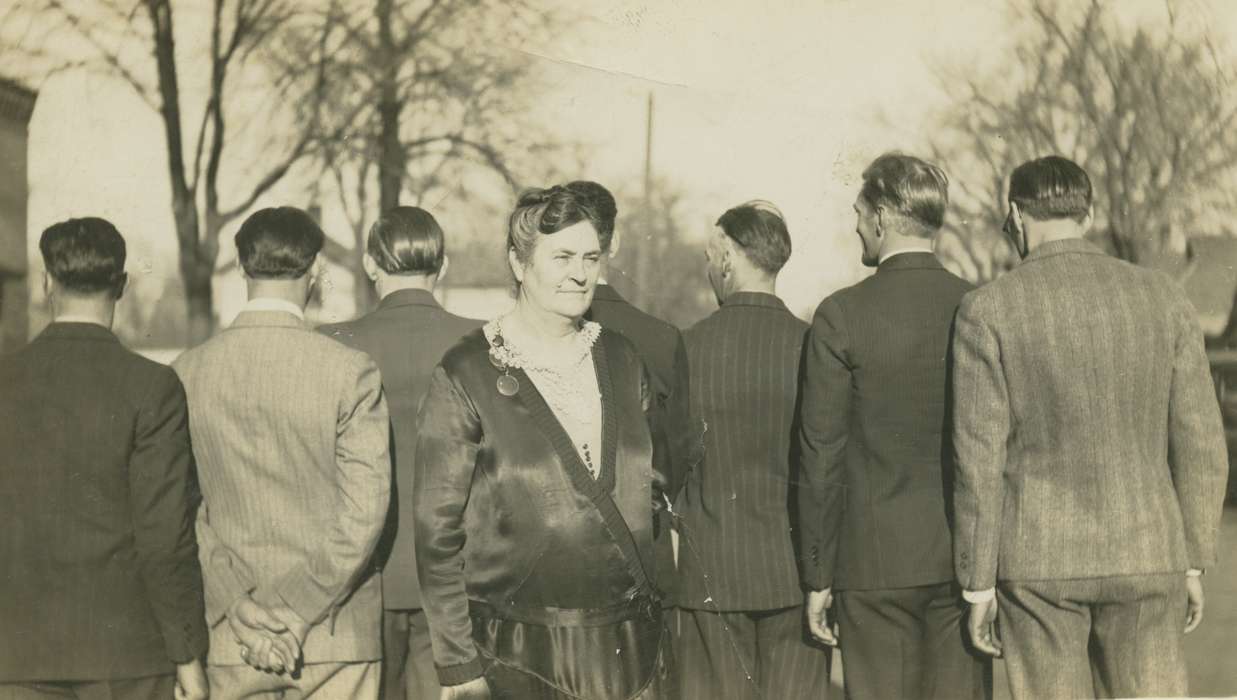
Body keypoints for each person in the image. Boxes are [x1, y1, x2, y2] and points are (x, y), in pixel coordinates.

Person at [951, 156, 1228, 699]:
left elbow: (978, 459)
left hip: (1039, 561)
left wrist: (977, 582)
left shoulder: (988, 309)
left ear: (1015, 214)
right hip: (1149, 551)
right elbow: (1200, 441)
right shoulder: (1166, 297)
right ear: (1088, 211)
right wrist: (1193, 560)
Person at [415, 184, 674, 699]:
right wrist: (459, 666)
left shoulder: (623, 360)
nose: (580, 273)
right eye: (561, 257)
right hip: (515, 659)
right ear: (519, 263)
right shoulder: (466, 372)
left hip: (628, 653)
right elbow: (435, 533)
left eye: (590, 257)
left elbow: (654, 491)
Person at [174, 206, 391, 698]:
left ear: (243, 266)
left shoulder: (188, 372)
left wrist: (239, 604)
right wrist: (296, 610)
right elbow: (366, 512)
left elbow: (181, 511)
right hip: (335, 637)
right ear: (315, 269)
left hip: (234, 637)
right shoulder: (350, 371)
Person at [797, 154, 989, 700]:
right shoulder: (978, 305)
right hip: (963, 564)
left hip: (871, 565)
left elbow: (821, 454)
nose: (855, 224)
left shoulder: (840, 314)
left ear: (881, 217)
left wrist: (817, 576)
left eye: (859, 212)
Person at [0, 217, 209, 699]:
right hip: (125, 657)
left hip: (15, 652)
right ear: (121, 285)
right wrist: (188, 657)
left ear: (47, 282)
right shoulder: (151, 388)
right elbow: (165, 538)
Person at [319, 206, 482, 700]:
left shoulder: (331, 343)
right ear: (444, 265)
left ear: (370, 264)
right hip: (461, 584)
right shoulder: (486, 341)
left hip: (364, 578)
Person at [673, 201, 830, 700]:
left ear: (727, 257)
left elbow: (672, 460)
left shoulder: (687, 348)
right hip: (795, 579)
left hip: (711, 577)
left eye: (708, 256)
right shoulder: (812, 347)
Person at [568, 180, 698, 601]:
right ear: (616, 243)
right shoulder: (660, 338)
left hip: (553, 554)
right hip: (643, 547)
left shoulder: (530, 336)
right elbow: (678, 453)